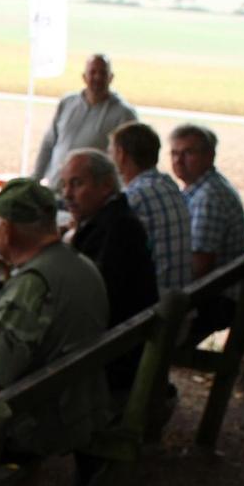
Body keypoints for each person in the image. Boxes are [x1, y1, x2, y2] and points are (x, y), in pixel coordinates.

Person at [0, 178, 110, 461]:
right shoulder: (81, 264)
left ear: (6, 229)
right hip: (68, 405)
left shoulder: (34, 286)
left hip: (31, 424)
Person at [61, 148, 157, 394]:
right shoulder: (112, 219)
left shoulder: (117, 231)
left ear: (105, 186)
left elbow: (88, 302)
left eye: (77, 184)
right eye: (64, 185)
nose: (67, 195)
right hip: (121, 342)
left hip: (113, 358)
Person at [170, 122, 244, 345]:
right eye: (175, 153)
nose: (178, 160)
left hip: (216, 299)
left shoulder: (209, 198)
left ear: (209, 156)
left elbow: (200, 265)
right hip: (213, 293)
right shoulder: (199, 189)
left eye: (188, 153)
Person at [29, 53, 138, 187]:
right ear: (84, 77)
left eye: (103, 73)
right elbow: (49, 143)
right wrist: (35, 178)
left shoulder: (124, 114)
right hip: (56, 187)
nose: (97, 77)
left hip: (90, 198)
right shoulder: (67, 103)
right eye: (92, 72)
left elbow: (129, 160)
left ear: (111, 77)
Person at [109, 122, 192, 294]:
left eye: (111, 151)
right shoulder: (169, 185)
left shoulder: (133, 197)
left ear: (121, 154)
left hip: (155, 307)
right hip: (180, 300)